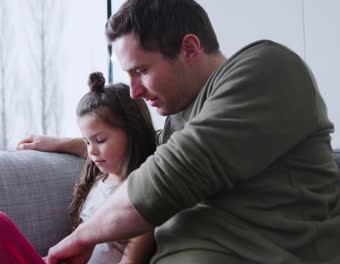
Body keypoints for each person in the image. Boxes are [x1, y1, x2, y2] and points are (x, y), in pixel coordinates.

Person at [18, 0, 340, 263]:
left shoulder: (266, 70)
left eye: (141, 71)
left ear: (189, 48)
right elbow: (138, 146)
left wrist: (81, 237)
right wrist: (72, 144)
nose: (133, 92)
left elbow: (165, 178)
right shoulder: (180, 118)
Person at [66, 71, 156, 263]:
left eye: (100, 140)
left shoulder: (143, 197)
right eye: (87, 142)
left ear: (133, 133)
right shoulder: (95, 182)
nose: (92, 151)